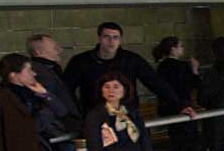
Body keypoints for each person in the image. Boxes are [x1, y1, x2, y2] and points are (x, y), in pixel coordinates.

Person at [64, 21, 198, 118]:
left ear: (120, 40)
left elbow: (156, 83)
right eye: (107, 37)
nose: (111, 41)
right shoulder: (80, 61)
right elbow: (66, 89)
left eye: (115, 37)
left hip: (128, 115)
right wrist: (78, 114)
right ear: (99, 38)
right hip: (95, 117)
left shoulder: (131, 60)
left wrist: (180, 105)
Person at [153, 36, 202, 151]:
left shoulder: (162, 67)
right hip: (184, 108)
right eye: (180, 46)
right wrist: (195, 70)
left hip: (170, 110)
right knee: (188, 144)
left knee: (177, 143)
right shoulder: (181, 66)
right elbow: (193, 85)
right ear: (173, 49)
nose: (182, 49)